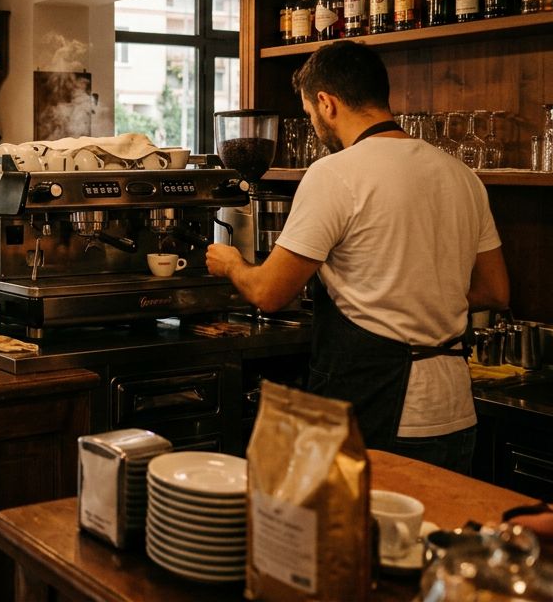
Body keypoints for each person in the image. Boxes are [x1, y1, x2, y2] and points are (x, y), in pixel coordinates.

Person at [205, 41, 508, 474]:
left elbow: (270, 293)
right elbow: (496, 291)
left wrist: (231, 263)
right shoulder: (461, 175)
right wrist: (424, 294)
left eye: (310, 114)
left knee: (355, 539)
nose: (314, 125)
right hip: (453, 409)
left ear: (326, 103)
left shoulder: (334, 174)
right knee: (429, 538)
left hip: (378, 405)